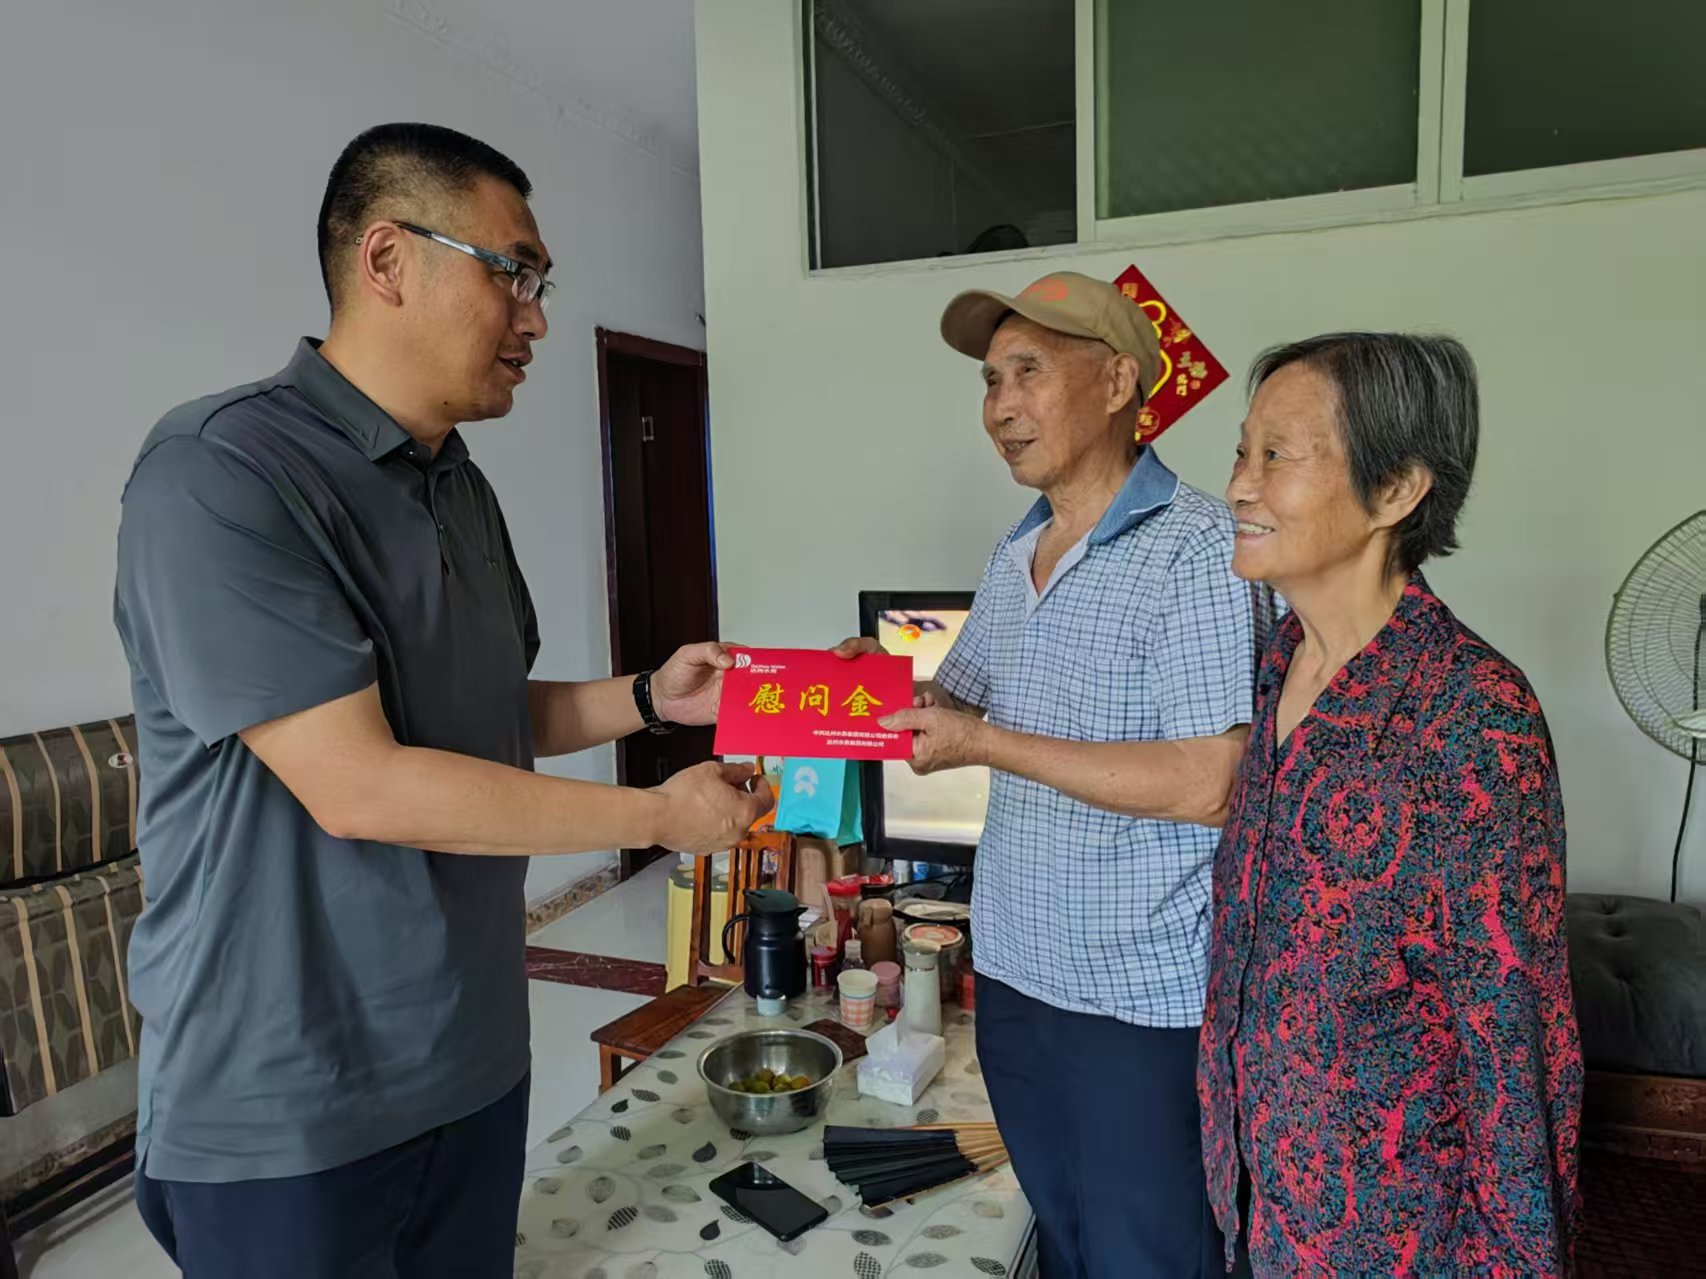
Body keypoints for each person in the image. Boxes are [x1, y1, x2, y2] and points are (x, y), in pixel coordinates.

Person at [112, 123, 783, 1278]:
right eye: (512, 272)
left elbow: (484, 716)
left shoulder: (458, 485)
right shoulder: (221, 472)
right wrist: (660, 818)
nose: (535, 318)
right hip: (290, 1099)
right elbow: (360, 784)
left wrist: (646, 698)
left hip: (470, 1058)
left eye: (540, 284)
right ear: (387, 260)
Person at [859, 270, 1264, 1278]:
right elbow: (956, 702)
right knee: (1060, 1239)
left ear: (1118, 382)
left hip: (1137, 999)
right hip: (1014, 971)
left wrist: (988, 744)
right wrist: (861, 686)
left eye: (1027, 371)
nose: (999, 406)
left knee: (1149, 1252)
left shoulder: (1198, 548)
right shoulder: (1019, 551)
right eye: (990, 380)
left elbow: (1211, 779)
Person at [1197, 334, 1582, 1275]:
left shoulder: (1473, 717)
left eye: (1277, 455)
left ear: (1398, 488)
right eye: (1242, 452)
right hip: (1258, 1200)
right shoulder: (1282, 659)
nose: (1240, 485)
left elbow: (1515, 1043)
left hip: (1397, 1237)